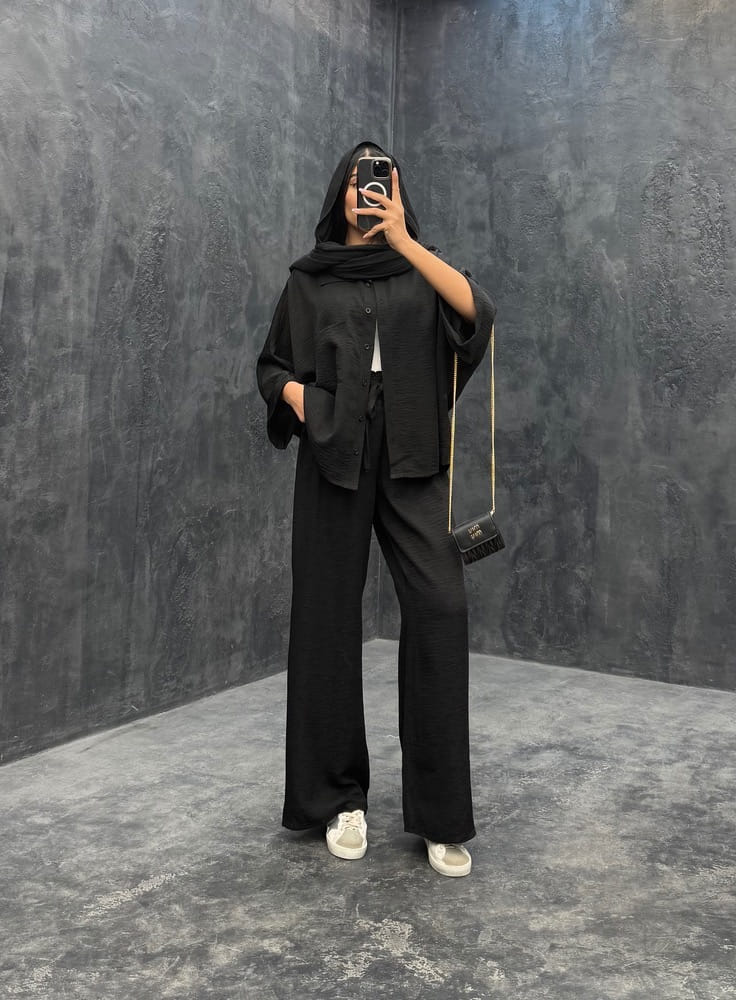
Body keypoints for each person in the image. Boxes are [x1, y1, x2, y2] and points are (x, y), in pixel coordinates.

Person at [256, 140, 496, 877]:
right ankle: (338, 800)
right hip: (334, 449)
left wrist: (402, 239)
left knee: (440, 607)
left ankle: (441, 815)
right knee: (326, 617)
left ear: (395, 191)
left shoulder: (420, 268)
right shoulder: (311, 279)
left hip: (413, 451)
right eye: (359, 179)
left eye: (382, 178)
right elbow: (271, 365)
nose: (369, 189)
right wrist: (301, 399)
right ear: (341, 192)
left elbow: (476, 313)